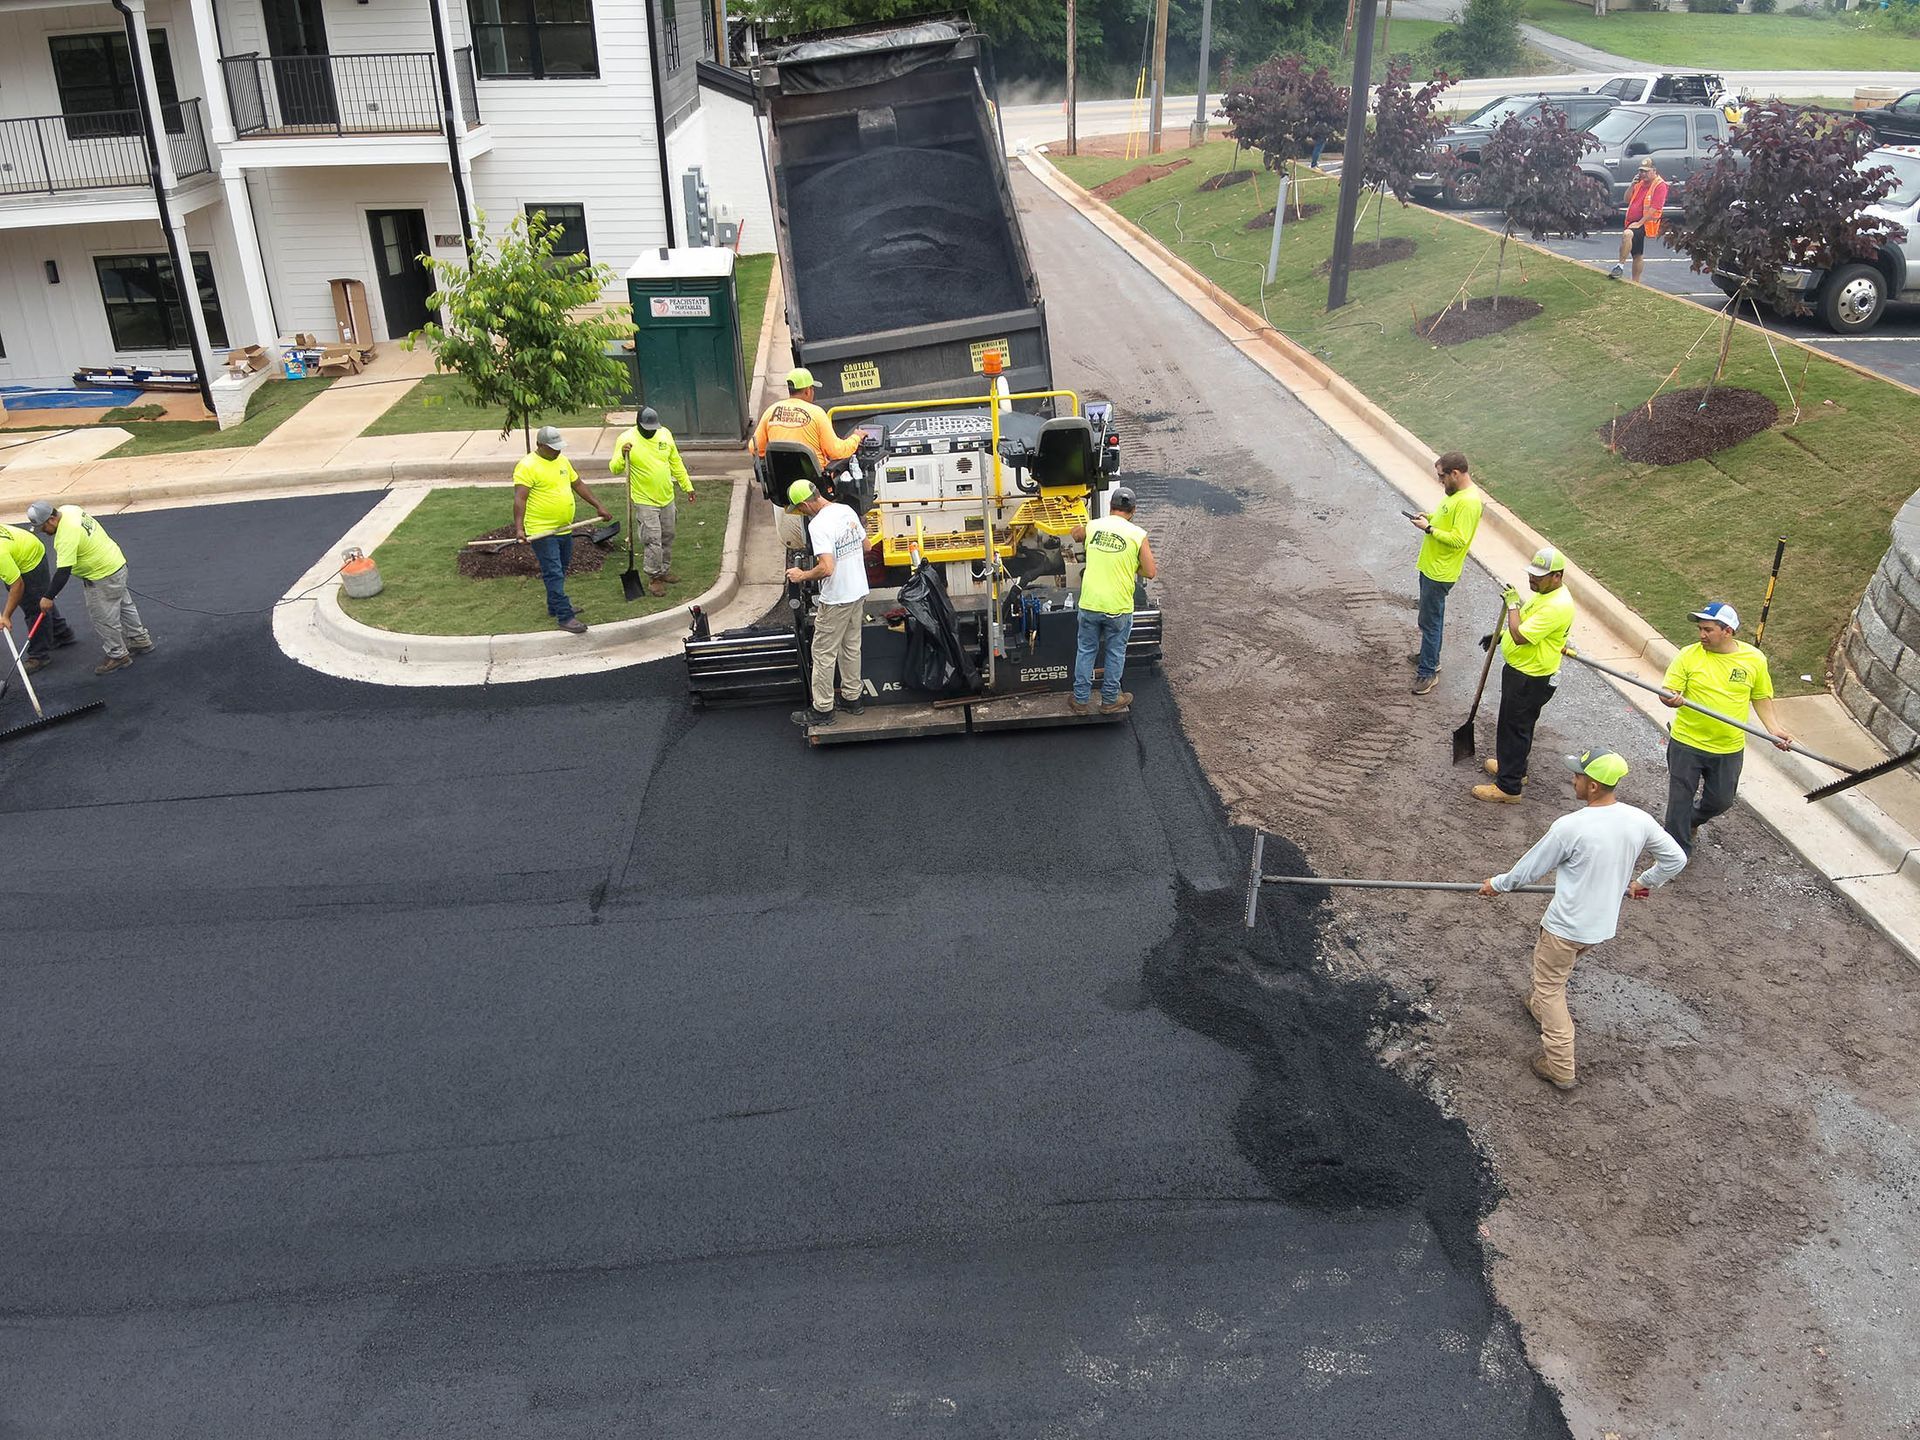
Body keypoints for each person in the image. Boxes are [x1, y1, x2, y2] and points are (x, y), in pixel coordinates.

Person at [1480, 746, 1688, 1089]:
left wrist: (1496, 885)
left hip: (1565, 927)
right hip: (1599, 927)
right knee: (1555, 976)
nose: (1573, 779)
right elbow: (1675, 859)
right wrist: (1643, 882)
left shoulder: (1571, 827)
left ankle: (1560, 1065)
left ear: (1593, 786)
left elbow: (1527, 871)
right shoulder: (1638, 820)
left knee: (1551, 988)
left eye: (1578, 775)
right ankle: (1537, 1006)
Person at [1659, 601, 1793, 855]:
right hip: (1687, 743)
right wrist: (1670, 698)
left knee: (1721, 801)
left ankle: (1692, 821)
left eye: (1708, 630)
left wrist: (1773, 729)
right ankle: (1676, 855)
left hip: (1728, 747)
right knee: (1679, 801)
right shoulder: (1689, 655)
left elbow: (1761, 696)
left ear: (1727, 631)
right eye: (1700, 629)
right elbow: (1668, 691)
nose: (1701, 635)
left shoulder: (1753, 659)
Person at [1474, 546, 1575, 805]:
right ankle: (1515, 768)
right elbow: (1525, 625)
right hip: (1527, 673)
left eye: (1539, 576)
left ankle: (1508, 788)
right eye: (1532, 573)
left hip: (1529, 678)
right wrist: (1499, 637)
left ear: (1557, 576)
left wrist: (1512, 606)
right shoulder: (1545, 595)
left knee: (1513, 729)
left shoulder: (1557, 606)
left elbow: (1520, 635)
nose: (1533, 579)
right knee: (1520, 727)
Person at [26, 500, 150, 675]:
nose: (43, 532)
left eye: (43, 527)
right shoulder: (70, 510)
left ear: (52, 519)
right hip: (116, 563)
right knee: (124, 605)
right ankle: (139, 639)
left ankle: (117, 655)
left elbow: (63, 572)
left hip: (101, 576)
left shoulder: (65, 536)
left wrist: (48, 597)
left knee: (103, 617)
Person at [785, 478, 870, 729]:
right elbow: (866, 546)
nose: (800, 513)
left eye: (798, 509)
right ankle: (853, 699)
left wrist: (801, 576)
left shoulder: (819, 524)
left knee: (823, 653)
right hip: (858, 591)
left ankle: (822, 709)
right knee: (851, 647)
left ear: (804, 504)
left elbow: (827, 568)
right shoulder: (845, 510)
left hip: (837, 598)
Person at [512, 425, 610, 635]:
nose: (557, 451)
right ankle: (565, 616)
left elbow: (578, 484)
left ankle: (554, 605)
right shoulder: (527, 466)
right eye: (552, 448)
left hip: (564, 528)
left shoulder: (562, 460)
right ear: (539, 445)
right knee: (554, 571)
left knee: (561, 568)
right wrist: (519, 528)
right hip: (542, 530)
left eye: (558, 447)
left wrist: (598, 505)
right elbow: (520, 498)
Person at [753, 367, 863, 553]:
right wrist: (856, 438)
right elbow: (837, 451)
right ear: (807, 390)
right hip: (816, 488)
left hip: (782, 489)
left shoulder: (771, 412)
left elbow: (754, 447)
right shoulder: (817, 413)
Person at [1069, 486, 1157, 716]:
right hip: (1118, 608)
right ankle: (1110, 700)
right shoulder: (1138, 535)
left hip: (1090, 603)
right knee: (1115, 652)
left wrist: (1075, 524)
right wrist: (1130, 563)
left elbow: (1076, 534)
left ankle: (1080, 700)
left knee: (1086, 650)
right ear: (1133, 511)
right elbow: (1150, 571)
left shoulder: (1094, 526)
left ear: (1110, 507)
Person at [1407, 451, 1485, 697]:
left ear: (1456, 473)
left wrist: (1429, 529)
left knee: (1430, 622)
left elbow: (1459, 540)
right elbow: (1445, 521)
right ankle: (1429, 656)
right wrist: (1429, 518)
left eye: (1442, 476)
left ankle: (1428, 671)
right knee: (1429, 618)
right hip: (1431, 567)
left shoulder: (1469, 502)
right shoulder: (1455, 496)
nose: (1440, 481)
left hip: (1440, 572)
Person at [610, 406, 694, 596]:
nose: (650, 431)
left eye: (653, 428)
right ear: (638, 424)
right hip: (644, 499)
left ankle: (664, 570)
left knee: (668, 535)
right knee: (652, 538)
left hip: (667, 497)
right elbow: (614, 468)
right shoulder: (626, 439)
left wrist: (687, 485)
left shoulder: (664, 435)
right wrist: (623, 456)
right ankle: (654, 577)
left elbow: (676, 462)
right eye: (646, 428)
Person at [0, 518, 75, 674]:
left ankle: (39, 656)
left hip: (30, 560)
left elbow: (17, 585)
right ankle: (61, 633)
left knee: (33, 606)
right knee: (40, 598)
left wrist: (6, 616)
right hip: (25, 547)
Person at [1610, 157, 1669, 285]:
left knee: (1627, 235)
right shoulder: (1639, 183)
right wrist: (1632, 185)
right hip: (1632, 222)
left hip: (1645, 223)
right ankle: (1636, 282)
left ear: (1654, 171)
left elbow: (1654, 209)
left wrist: (1640, 223)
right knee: (1637, 254)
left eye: (1646, 171)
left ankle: (1619, 266)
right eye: (1641, 171)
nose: (1643, 174)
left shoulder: (1659, 185)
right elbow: (1626, 199)